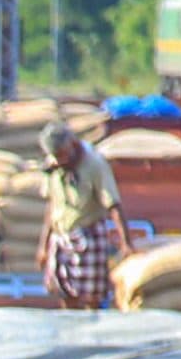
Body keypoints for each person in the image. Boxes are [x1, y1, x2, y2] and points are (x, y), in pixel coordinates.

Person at [37, 120, 134, 311]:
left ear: (72, 144)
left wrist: (126, 243)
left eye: (62, 155)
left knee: (91, 298)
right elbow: (52, 206)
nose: (60, 161)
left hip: (88, 237)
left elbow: (113, 204)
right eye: (56, 157)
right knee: (64, 294)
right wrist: (43, 246)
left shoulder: (94, 164)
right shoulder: (54, 167)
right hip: (61, 236)